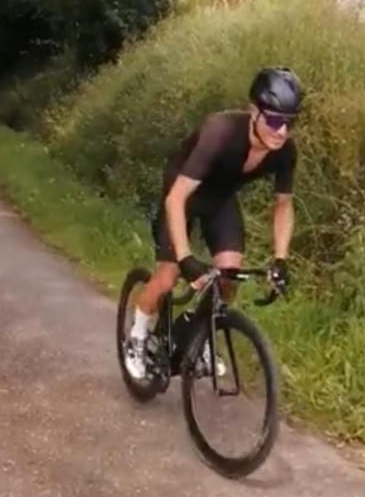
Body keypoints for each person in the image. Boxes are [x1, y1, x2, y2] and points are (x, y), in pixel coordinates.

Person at [126, 66, 302, 380]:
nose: (282, 131)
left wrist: (280, 259)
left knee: (229, 275)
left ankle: (200, 332)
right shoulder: (220, 132)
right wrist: (185, 258)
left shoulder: (285, 151)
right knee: (167, 277)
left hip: (219, 199)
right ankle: (137, 338)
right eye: (275, 120)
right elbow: (176, 199)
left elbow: (283, 205)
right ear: (254, 112)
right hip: (182, 193)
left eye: (290, 122)